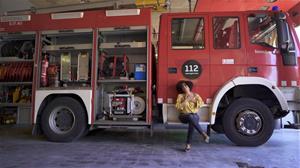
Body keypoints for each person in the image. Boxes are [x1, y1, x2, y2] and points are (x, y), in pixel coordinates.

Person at [175, 80, 209, 152]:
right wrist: (186, 100)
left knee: (192, 122)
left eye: (185, 86)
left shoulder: (196, 95)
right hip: (183, 116)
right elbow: (178, 107)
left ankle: (188, 145)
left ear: (189, 86)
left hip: (194, 115)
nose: (184, 88)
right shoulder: (180, 96)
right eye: (182, 87)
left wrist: (193, 100)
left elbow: (201, 104)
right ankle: (202, 133)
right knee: (191, 118)